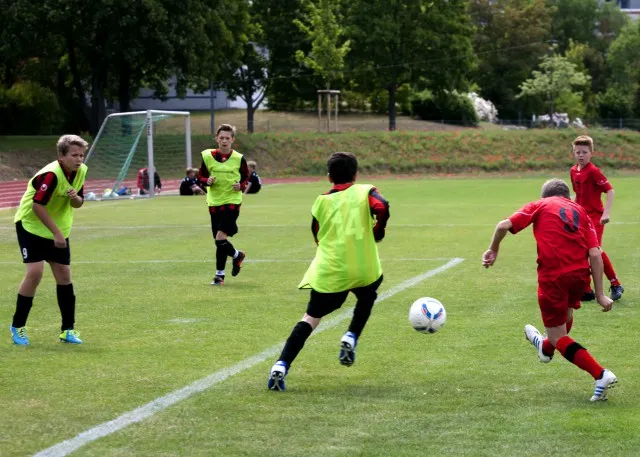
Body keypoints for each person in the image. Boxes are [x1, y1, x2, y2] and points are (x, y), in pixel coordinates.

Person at [482, 178, 617, 402]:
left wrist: (493, 249)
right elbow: (595, 253)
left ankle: (600, 374)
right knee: (563, 320)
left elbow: (502, 226)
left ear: (545, 196)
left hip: (554, 276)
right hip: (579, 275)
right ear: (567, 196)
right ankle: (544, 348)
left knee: (558, 336)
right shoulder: (580, 211)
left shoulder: (541, 204)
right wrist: (600, 294)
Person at [267, 152, 390, 391]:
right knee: (368, 293)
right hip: (362, 266)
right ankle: (351, 335)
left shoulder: (321, 201)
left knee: (311, 318)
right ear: (355, 174)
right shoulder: (365, 191)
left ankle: (281, 365)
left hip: (330, 269)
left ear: (329, 177)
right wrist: (378, 230)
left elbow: (317, 233)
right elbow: (382, 206)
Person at [10, 134, 89, 345]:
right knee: (35, 274)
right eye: (74, 155)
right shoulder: (51, 175)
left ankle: (68, 330)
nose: (79, 159)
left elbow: (78, 203)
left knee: (64, 275)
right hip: (31, 226)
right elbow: (37, 206)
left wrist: (75, 198)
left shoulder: (81, 171)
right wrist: (56, 233)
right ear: (61, 156)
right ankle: (18, 326)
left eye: (81, 155)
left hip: (58, 228)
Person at [570, 135, 624, 301]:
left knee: (595, 250)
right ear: (574, 152)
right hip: (580, 217)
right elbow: (577, 194)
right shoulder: (573, 171)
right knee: (580, 250)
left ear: (591, 153)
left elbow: (610, 191)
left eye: (584, 152)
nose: (581, 155)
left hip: (594, 217)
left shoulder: (593, 171)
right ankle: (586, 289)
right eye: (578, 152)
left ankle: (615, 284)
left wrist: (606, 213)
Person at [197, 124, 250, 286]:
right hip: (214, 202)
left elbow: (246, 176)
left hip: (232, 202)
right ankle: (222, 273)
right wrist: (207, 181)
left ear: (232, 140)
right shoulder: (207, 156)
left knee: (220, 238)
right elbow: (200, 176)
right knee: (219, 241)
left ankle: (234, 259)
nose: (224, 141)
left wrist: (240, 185)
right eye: (221, 138)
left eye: (227, 138)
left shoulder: (239, 158)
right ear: (216, 139)